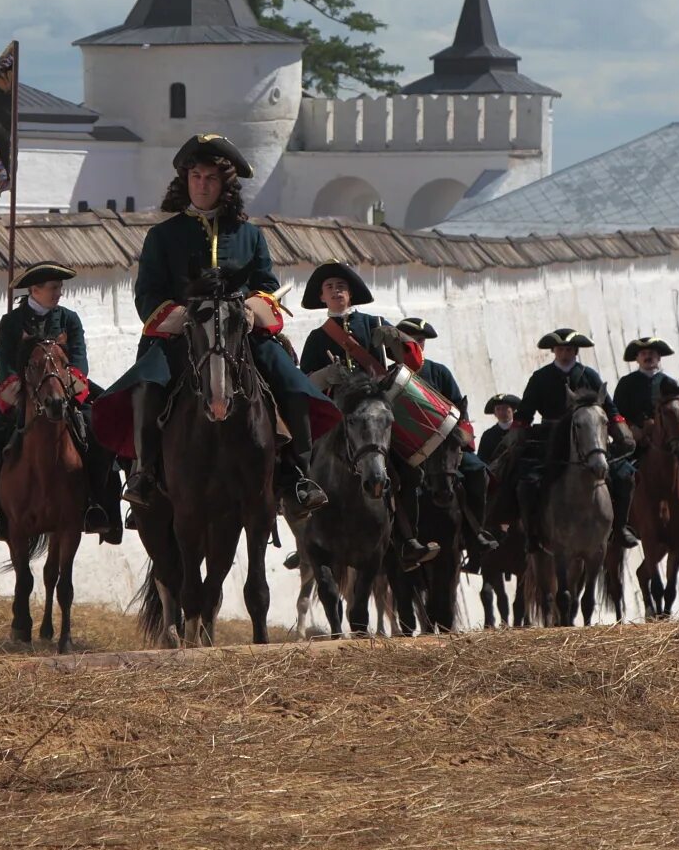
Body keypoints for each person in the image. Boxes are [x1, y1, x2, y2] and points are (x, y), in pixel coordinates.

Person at [117, 134, 334, 514]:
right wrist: (182, 318)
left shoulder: (250, 236)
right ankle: (144, 472)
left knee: (293, 383)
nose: (202, 185)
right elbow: (147, 293)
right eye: (196, 176)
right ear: (185, 181)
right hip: (178, 337)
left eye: (211, 178)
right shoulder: (161, 236)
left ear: (225, 185)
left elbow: (266, 284)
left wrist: (251, 310)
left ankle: (297, 475)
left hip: (241, 336)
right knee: (146, 387)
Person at [299, 263, 435, 569]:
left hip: (375, 410)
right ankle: (306, 533)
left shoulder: (373, 322)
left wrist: (397, 339)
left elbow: (414, 362)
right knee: (303, 465)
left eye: (341, 286)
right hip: (337, 414)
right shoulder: (317, 337)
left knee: (409, 470)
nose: (336, 291)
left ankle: (407, 539)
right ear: (322, 297)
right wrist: (325, 374)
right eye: (330, 287)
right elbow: (305, 381)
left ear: (351, 294)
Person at [0, 263, 120, 545]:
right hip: (23, 394)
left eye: (60, 287)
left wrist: (68, 384)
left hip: (64, 391)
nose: (58, 293)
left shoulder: (69, 319)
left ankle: (99, 507)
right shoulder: (12, 322)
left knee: (102, 436)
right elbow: (4, 362)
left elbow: (79, 359)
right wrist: (16, 387)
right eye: (53, 287)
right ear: (34, 289)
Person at [393, 316, 498, 566]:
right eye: (410, 341)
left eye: (420, 341)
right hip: (404, 449)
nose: (416, 346)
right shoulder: (390, 374)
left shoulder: (438, 372)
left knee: (477, 471)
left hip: (443, 448)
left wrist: (463, 444)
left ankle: (475, 534)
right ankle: (399, 542)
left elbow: (460, 411)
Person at [510, 328, 621, 553]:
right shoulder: (540, 378)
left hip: (587, 442)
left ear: (575, 351)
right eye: (561, 349)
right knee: (527, 484)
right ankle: (532, 533)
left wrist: (621, 430)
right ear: (553, 351)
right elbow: (525, 413)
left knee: (623, 476)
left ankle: (618, 528)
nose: (565, 354)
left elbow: (609, 408)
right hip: (549, 442)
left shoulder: (589, 375)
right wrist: (518, 434)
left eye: (569, 349)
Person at [610, 336, 679, 542]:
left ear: (659, 357)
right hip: (636, 444)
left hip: (666, 446)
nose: (648, 356)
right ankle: (619, 525)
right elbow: (617, 414)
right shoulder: (627, 384)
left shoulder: (669, 383)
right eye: (644, 353)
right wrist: (633, 432)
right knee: (619, 475)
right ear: (637, 358)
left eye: (652, 353)